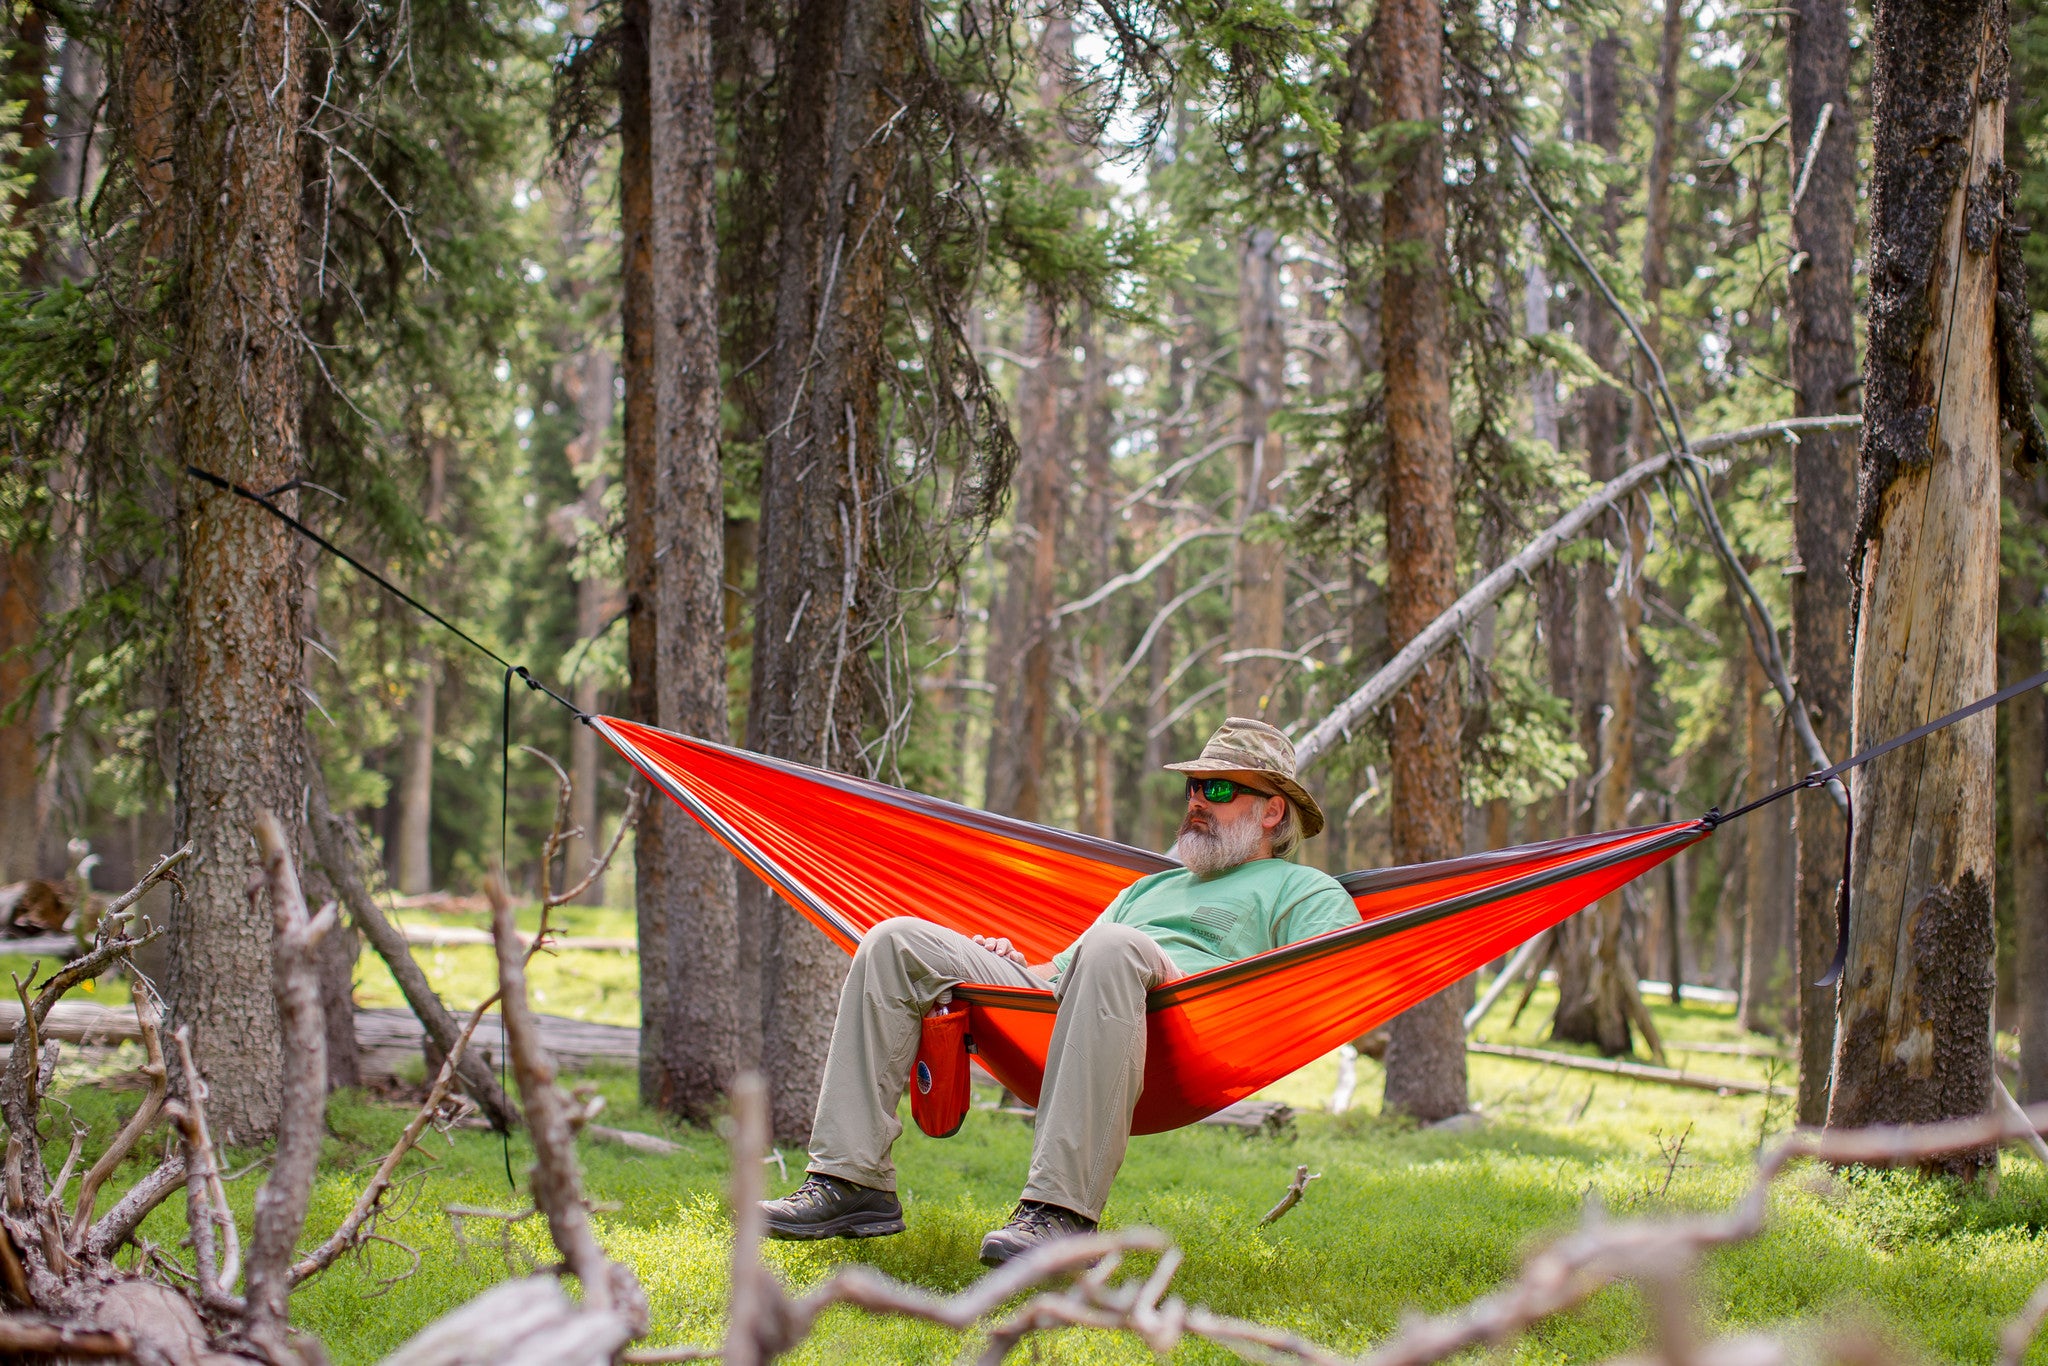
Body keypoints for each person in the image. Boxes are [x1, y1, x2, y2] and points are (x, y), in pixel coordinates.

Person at [759, 717, 1361, 1267]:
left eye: (1220, 788)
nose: (1198, 801)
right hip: (1087, 1006)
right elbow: (1063, 973)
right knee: (895, 941)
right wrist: (1006, 966)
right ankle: (850, 1179)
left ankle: (1059, 1212)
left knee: (1114, 945)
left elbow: (1331, 971)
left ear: (1272, 811)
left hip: (1190, 1030)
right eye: (1193, 787)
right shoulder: (1146, 890)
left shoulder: (1303, 890)